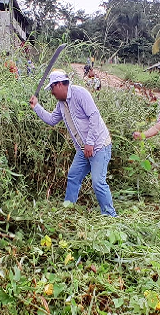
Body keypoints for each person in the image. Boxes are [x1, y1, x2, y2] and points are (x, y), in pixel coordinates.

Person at [28, 70, 117, 217]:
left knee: (98, 183)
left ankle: (110, 216)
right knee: (73, 176)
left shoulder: (80, 93)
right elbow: (52, 120)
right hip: (83, 149)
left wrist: (90, 143)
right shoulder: (61, 104)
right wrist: (36, 107)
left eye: (52, 88)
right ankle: (68, 212)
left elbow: (94, 116)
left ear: (60, 84)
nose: (52, 92)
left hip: (99, 145)